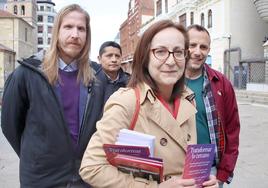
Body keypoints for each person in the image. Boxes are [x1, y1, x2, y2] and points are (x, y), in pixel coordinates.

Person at [79, 20, 218, 188]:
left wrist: (202, 181)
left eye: (178, 52)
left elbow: (183, 165)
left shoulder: (188, 98)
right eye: (160, 52)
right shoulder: (127, 101)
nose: (171, 61)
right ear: (145, 57)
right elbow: (92, 167)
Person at [1, 4, 105, 187]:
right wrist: (37, 156)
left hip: (86, 178)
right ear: (56, 31)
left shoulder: (97, 77)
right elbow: (10, 125)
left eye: (81, 29)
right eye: (68, 27)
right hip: (42, 180)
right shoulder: (27, 73)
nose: (75, 34)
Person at [185, 24, 240, 187]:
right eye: (192, 45)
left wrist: (222, 175)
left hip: (211, 172)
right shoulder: (169, 82)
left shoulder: (222, 83)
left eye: (203, 47)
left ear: (208, 50)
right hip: (176, 171)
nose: (197, 52)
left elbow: (232, 131)